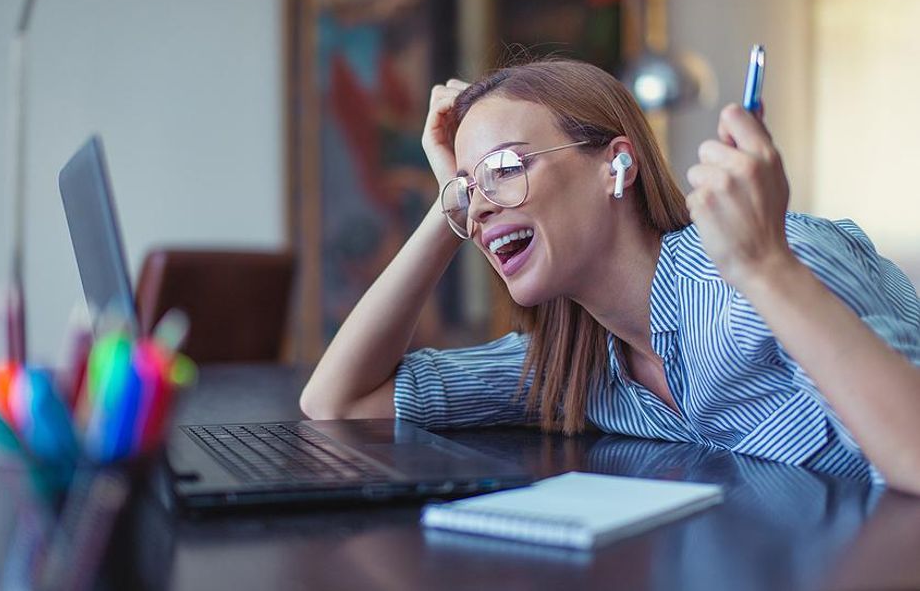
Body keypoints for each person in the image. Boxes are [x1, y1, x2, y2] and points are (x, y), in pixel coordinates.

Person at [299, 59, 920, 495]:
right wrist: (447, 206)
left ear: (616, 165)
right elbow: (336, 403)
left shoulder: (777, 265)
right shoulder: (577, 366)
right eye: (469, 189)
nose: (481, 205)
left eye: (505, 168)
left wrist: (765, 267)